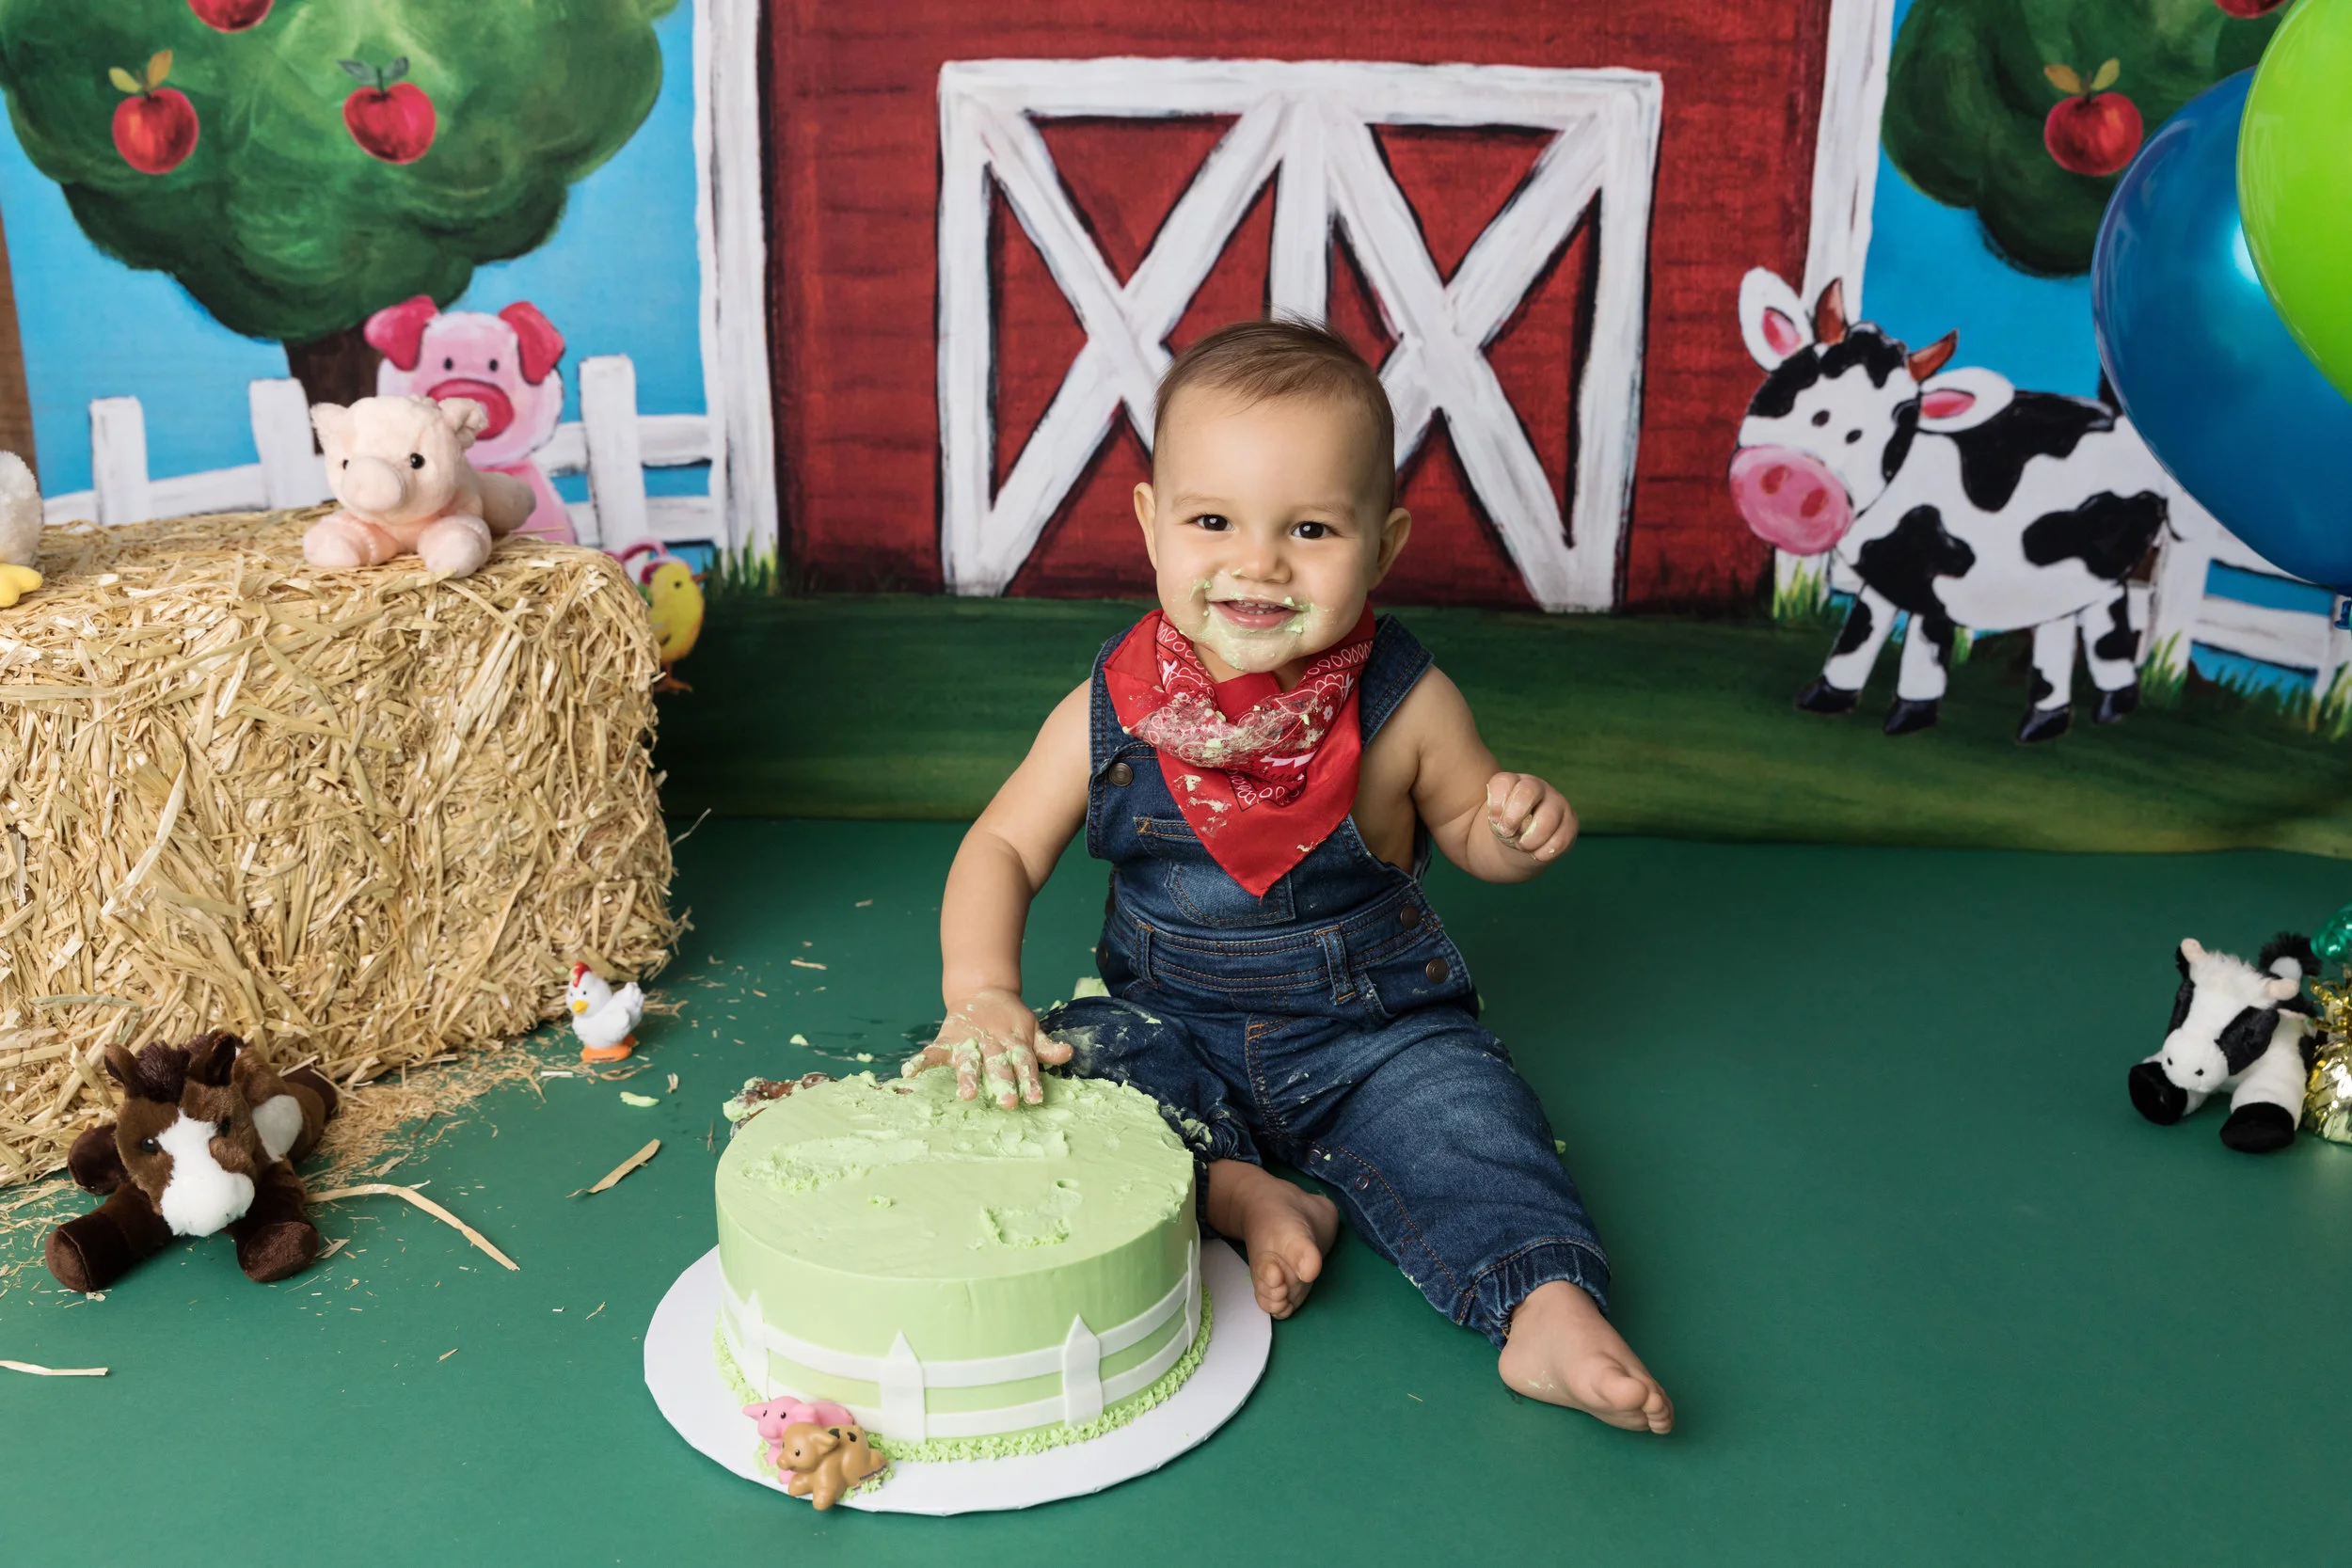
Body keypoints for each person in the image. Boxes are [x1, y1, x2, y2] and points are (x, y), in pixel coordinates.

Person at [902, 318, 1673, 1433]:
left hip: (1372, 1035)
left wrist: (1509, 829)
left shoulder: (1404, 703)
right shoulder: (1115, 706)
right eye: (1213, 520)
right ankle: (1246, 1190)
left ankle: (1543, 1301)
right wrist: (980, 988)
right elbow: (1003, 845)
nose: (1258, 562)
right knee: (1080, 1069)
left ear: (1385, 543)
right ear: (1150, 524)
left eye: (1309, 528)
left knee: (1469, 1114)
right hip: (1172, 1025)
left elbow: (1462, 820)